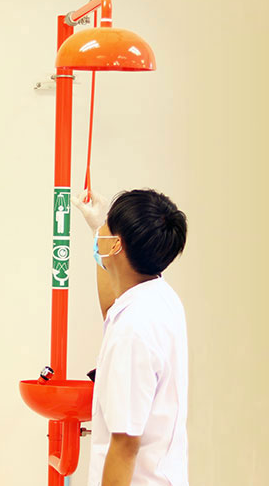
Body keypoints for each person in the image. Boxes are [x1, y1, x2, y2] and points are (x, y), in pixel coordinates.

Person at [72, 188, 189, 486]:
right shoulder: (159, 296)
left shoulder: (133, 331)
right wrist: (98, 229)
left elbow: (124, 447)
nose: (103, 235)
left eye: (108, 230)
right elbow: (113, 304)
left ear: (117, 246)